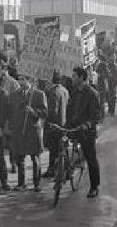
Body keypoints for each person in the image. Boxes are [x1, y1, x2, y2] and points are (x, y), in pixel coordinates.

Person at [67, 67, 101, 198]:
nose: (73, 78)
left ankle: (94, 186)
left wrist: (87, 124)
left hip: (86, 131)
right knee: (63, 145)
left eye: (75, 76)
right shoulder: (74, 92)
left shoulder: (92, 93)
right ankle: (64, 171)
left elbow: (96, 115)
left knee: (91, 158)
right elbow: (70, 111)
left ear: (81, 77)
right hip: (74, 128)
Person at [9, 74, 47, 191]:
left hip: (32, 130)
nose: (20, 82)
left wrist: (33, 112)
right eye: (19, 79)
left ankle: (37, 183)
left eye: (23, 79)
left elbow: (44, 113)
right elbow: (11, 111)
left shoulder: (38, 94)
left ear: (29, 80)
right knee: (19, 158)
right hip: (19, 130)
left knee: (35, 158)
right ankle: (21, 183)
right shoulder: (15, 95)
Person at [43, 70, 70, 179]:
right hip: (64, 123)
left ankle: (52, 170)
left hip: (54, 125)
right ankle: (68, 171)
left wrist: (47, 121)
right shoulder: (65, 90)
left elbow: (52, 111)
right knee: (63, 149)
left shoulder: (53, 92)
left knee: (53, 149)